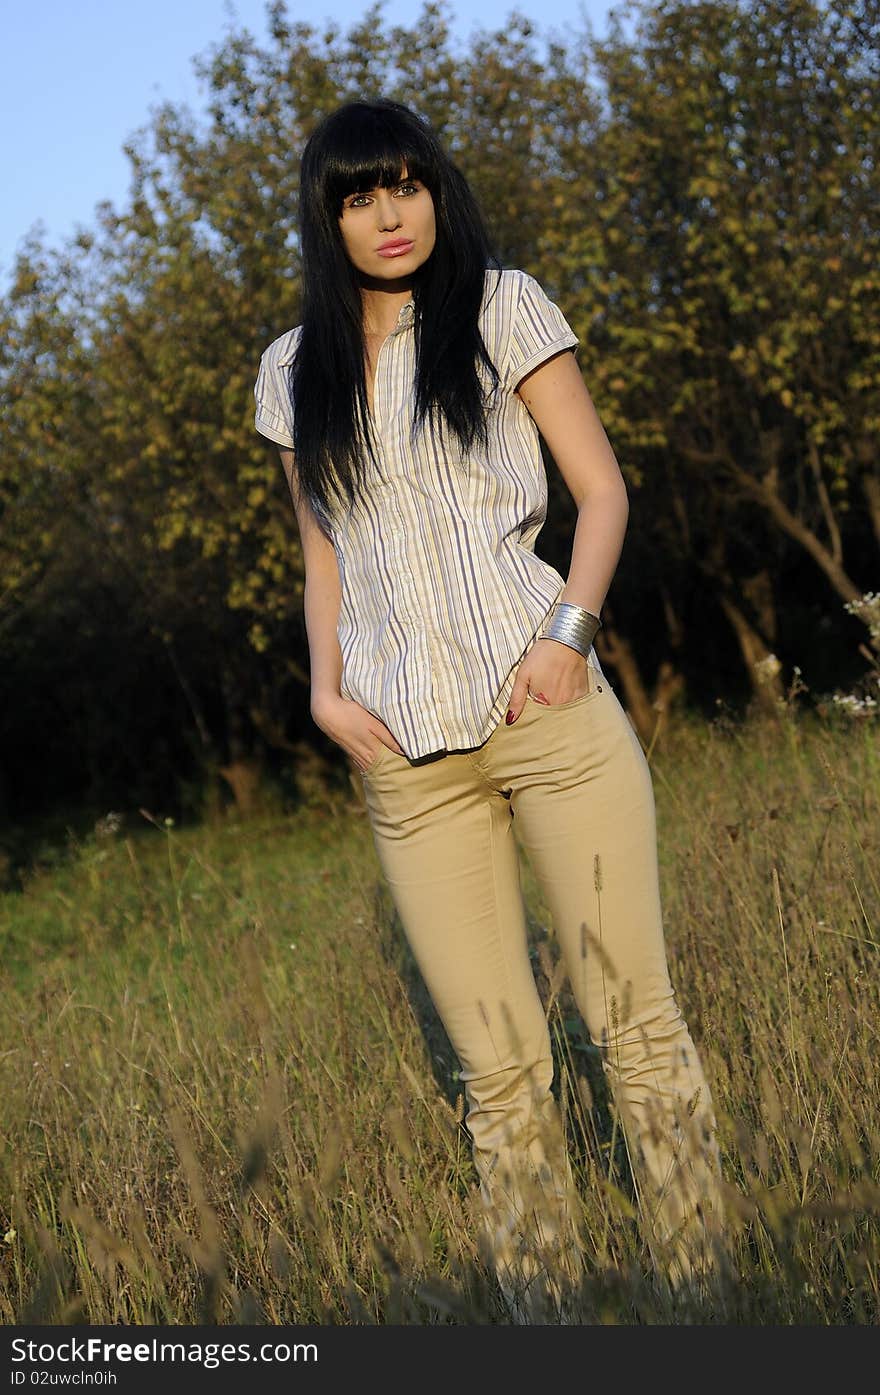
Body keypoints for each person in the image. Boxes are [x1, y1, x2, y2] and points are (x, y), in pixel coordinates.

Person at [254, 97, 726, 1321]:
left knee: (634, 1027)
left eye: (404, 183)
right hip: (406, 759)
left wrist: (568, 638)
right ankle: (548, 1330)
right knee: (498, 1076)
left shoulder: (503, 307)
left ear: (436, 190)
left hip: (547, 719)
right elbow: (324, 560)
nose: (387, 212)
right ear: (327, 217)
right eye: (358, 194)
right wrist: (323, 691)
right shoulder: (289, 375)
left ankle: (702, 1311)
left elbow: (602, 491)